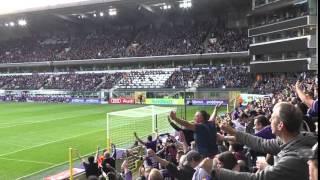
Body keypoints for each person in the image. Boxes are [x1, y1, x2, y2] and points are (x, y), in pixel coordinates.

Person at [203, 102, 317, 180]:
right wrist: (233, 132)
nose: (270, 119)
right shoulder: (295, 139)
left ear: (280, 125)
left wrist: (214, 170)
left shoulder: (294, 159)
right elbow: (261, 143)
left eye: (272, 117)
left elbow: (256, 178)